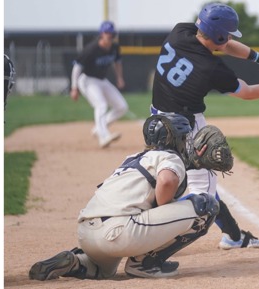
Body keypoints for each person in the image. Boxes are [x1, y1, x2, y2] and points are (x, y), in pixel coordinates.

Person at [150, 2, 259, 250]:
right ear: (218, 35)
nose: (229, 38)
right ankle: (156, 235)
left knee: (169, 176)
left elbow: (223, 43)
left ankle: (233, 234)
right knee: (203, 193)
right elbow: (247, 92)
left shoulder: (180, 32)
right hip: (186, 127)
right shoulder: (210, 68)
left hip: (155, 120)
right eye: (227, 33)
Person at [29, 114, 221, 280]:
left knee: (102, 271)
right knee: (206, 206)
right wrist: (166, 205)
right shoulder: (170, 157)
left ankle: (75, 261)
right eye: (184, 136)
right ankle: (145, 264)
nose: (187, 140)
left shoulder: (133, 157)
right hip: (119, 231)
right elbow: (167, 180)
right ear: (174, 138)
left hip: (87, 234)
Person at [70, 20, 129, 148]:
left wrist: (120, 78)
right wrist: (74, 88)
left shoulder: (114, 48)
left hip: (101, 80)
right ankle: (103, 136)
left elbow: (117, 62)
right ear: (101, 34)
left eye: (111, 33)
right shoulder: (91, 49)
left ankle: (99, 128)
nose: (109, 35)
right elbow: (77, 68)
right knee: (101, 105)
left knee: (122, 106)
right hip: (87, 80)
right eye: (106, 33)